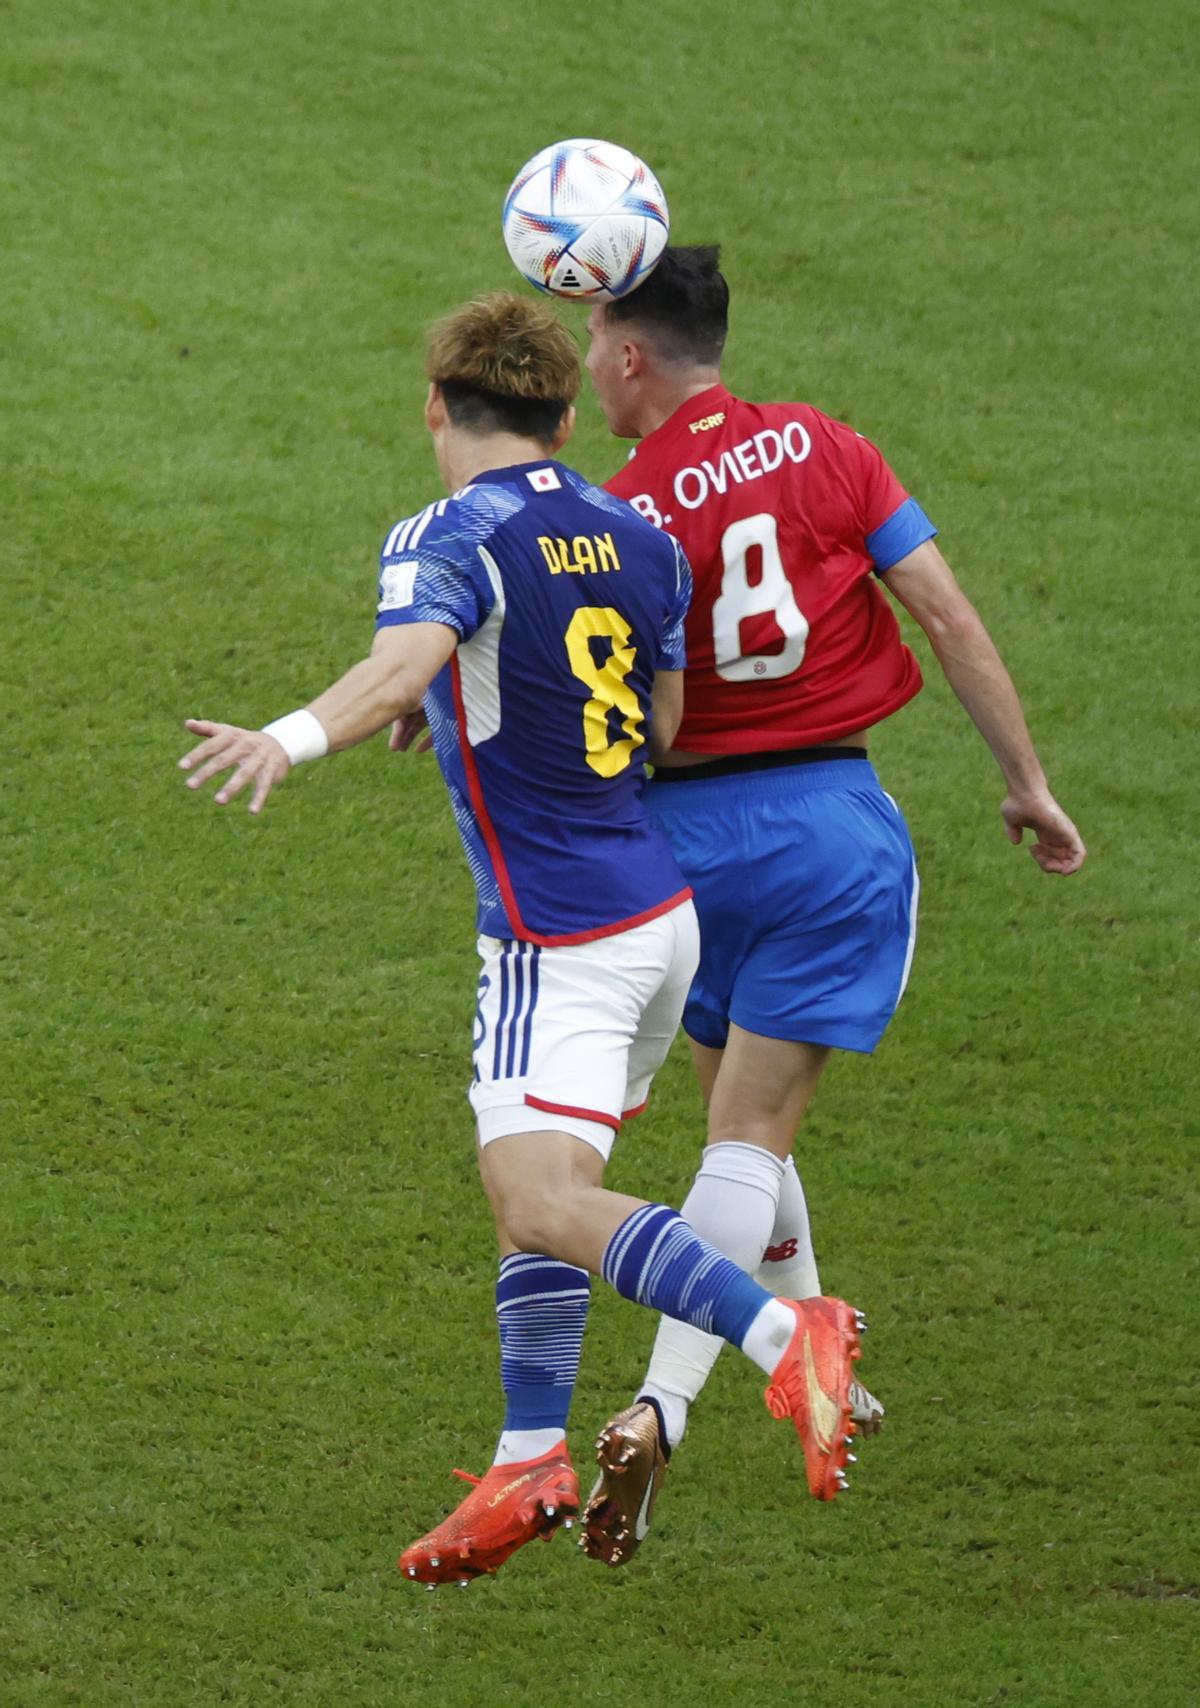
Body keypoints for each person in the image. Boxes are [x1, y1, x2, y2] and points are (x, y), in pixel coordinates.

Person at [177, 290, 870, 1589]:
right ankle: (527, 1457)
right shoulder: (640, 531)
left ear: (435, 405)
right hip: (662, 919)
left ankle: (790, 1338)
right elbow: (656, 722)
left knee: (540, 1197)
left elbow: (403, 659)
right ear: (565, 415)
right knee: (539, 1178)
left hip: (559, 939)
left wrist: (293, 733)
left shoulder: (447, 532)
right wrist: (467, 694)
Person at [578, 247, 1087, 1566]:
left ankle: (814, 1366)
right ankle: (663, 1406)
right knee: (750, 1137)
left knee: (739, 1135)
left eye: (595, 342)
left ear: (633, 356)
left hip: (674, 854)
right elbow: (947, 614)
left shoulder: (619, 511)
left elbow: (596, 697)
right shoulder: (831, 450)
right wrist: (1027, 783)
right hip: (825, 834)